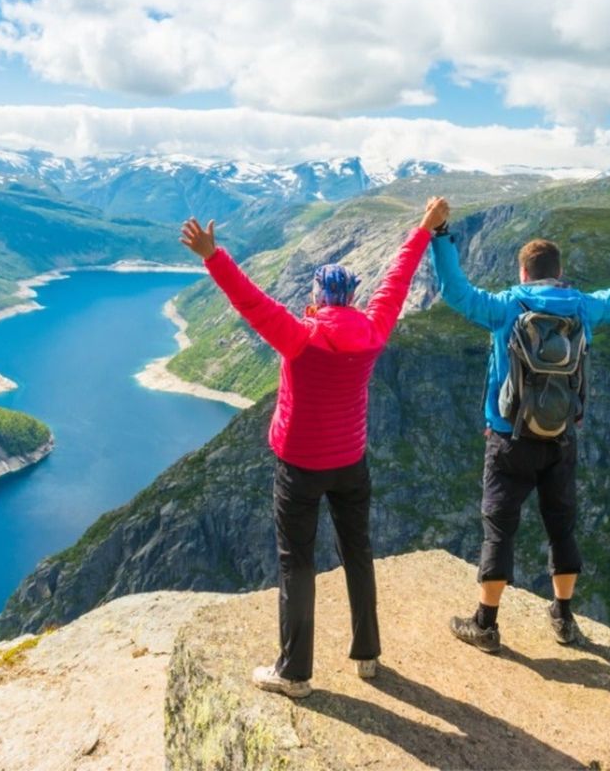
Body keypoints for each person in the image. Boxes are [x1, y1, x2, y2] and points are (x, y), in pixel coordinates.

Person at [180, 196, 449, 697]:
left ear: (318, 297)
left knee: (296, 563)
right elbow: (396, 281)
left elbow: (250, 301)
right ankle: (367, 654)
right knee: (358, 551)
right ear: (349, 297)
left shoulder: (300, 336)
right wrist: (424, 229)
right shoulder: (372, 328)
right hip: (351, 463)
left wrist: (213, 256)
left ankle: (295, 673)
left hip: (299, 467)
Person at [429, 215, 610, 652]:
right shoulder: (583, 307)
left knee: (499, 529)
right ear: (558, 273)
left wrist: (441, 236)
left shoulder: (506, 307)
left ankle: (485, 624)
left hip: (509, 439)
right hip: (560, 438)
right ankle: (562, 617)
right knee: (561, 527)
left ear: (523, 273)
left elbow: (455, 290)